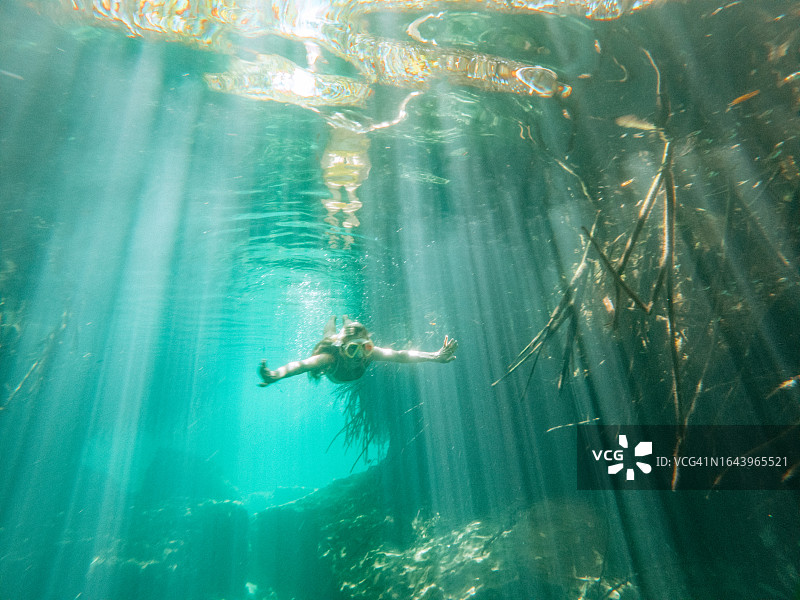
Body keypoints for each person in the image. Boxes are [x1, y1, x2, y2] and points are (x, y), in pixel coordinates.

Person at [258, 315, 457, 386]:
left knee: (351, 328)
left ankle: (347, 319)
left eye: (366, 347)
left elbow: (400, 355)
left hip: (345, 340)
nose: (360, 356)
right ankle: (333, 318)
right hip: (334, 342)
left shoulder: (370, 354)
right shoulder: (329, 358)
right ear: (342, 350)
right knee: (330, 334)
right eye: (353, 349)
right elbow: (301, 366)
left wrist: (435, 356)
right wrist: (276, 374)